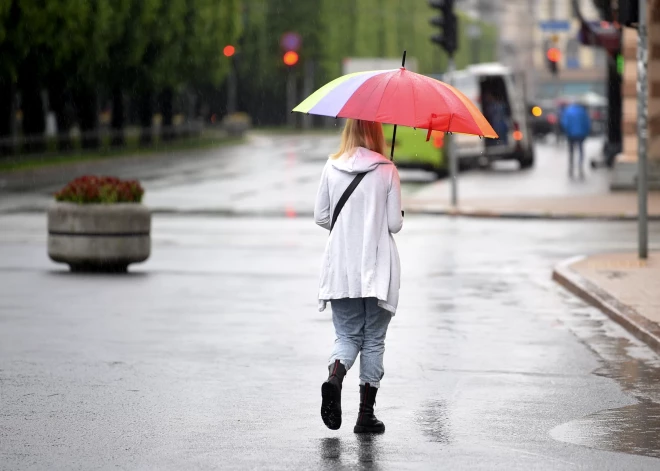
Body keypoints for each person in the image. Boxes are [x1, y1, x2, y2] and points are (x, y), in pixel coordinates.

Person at [314, 119, 403, 434]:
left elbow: (321, 216)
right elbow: (393, 224)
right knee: (374, 339)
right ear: (377, 132)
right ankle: (365, 415)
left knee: (348, 335)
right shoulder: (387, 169)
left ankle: (334, 379)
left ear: (349, 130)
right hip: (377, 268)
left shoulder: (332, 166)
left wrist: (348, 229)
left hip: (341, 267)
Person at [560, 99, 592, 178]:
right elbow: (587, 123)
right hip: (581, 134)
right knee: (581, 150)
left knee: (571, 151)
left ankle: (571, 166)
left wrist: (567, 132)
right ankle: (580, 166)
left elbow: (565, 123)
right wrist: (586, 132)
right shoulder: (583, 112)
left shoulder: (568, 111)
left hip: (570, 135)